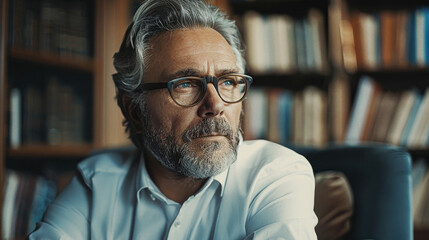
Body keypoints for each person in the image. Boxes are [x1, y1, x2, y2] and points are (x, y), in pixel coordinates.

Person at [28, 0, 317, 239]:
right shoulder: (96, 182)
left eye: (228, 82)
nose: (215, 105)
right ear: (135, 110)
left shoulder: (274, 176)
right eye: (186, 84)